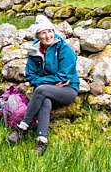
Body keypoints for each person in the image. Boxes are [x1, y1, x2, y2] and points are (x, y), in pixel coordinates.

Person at [7, 15, 79, 156]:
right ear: (38, 36)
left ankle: (22, 128)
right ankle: (42, 141)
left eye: (50, 31)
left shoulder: (64, 48)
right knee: (44, 99)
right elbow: (31, 76)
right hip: (47, 91)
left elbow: (63, 76)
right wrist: (50, 81)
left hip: (68, 90)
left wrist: (43, 81)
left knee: (40, 90)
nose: (48, 36)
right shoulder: (35, 51)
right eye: (43, 33)